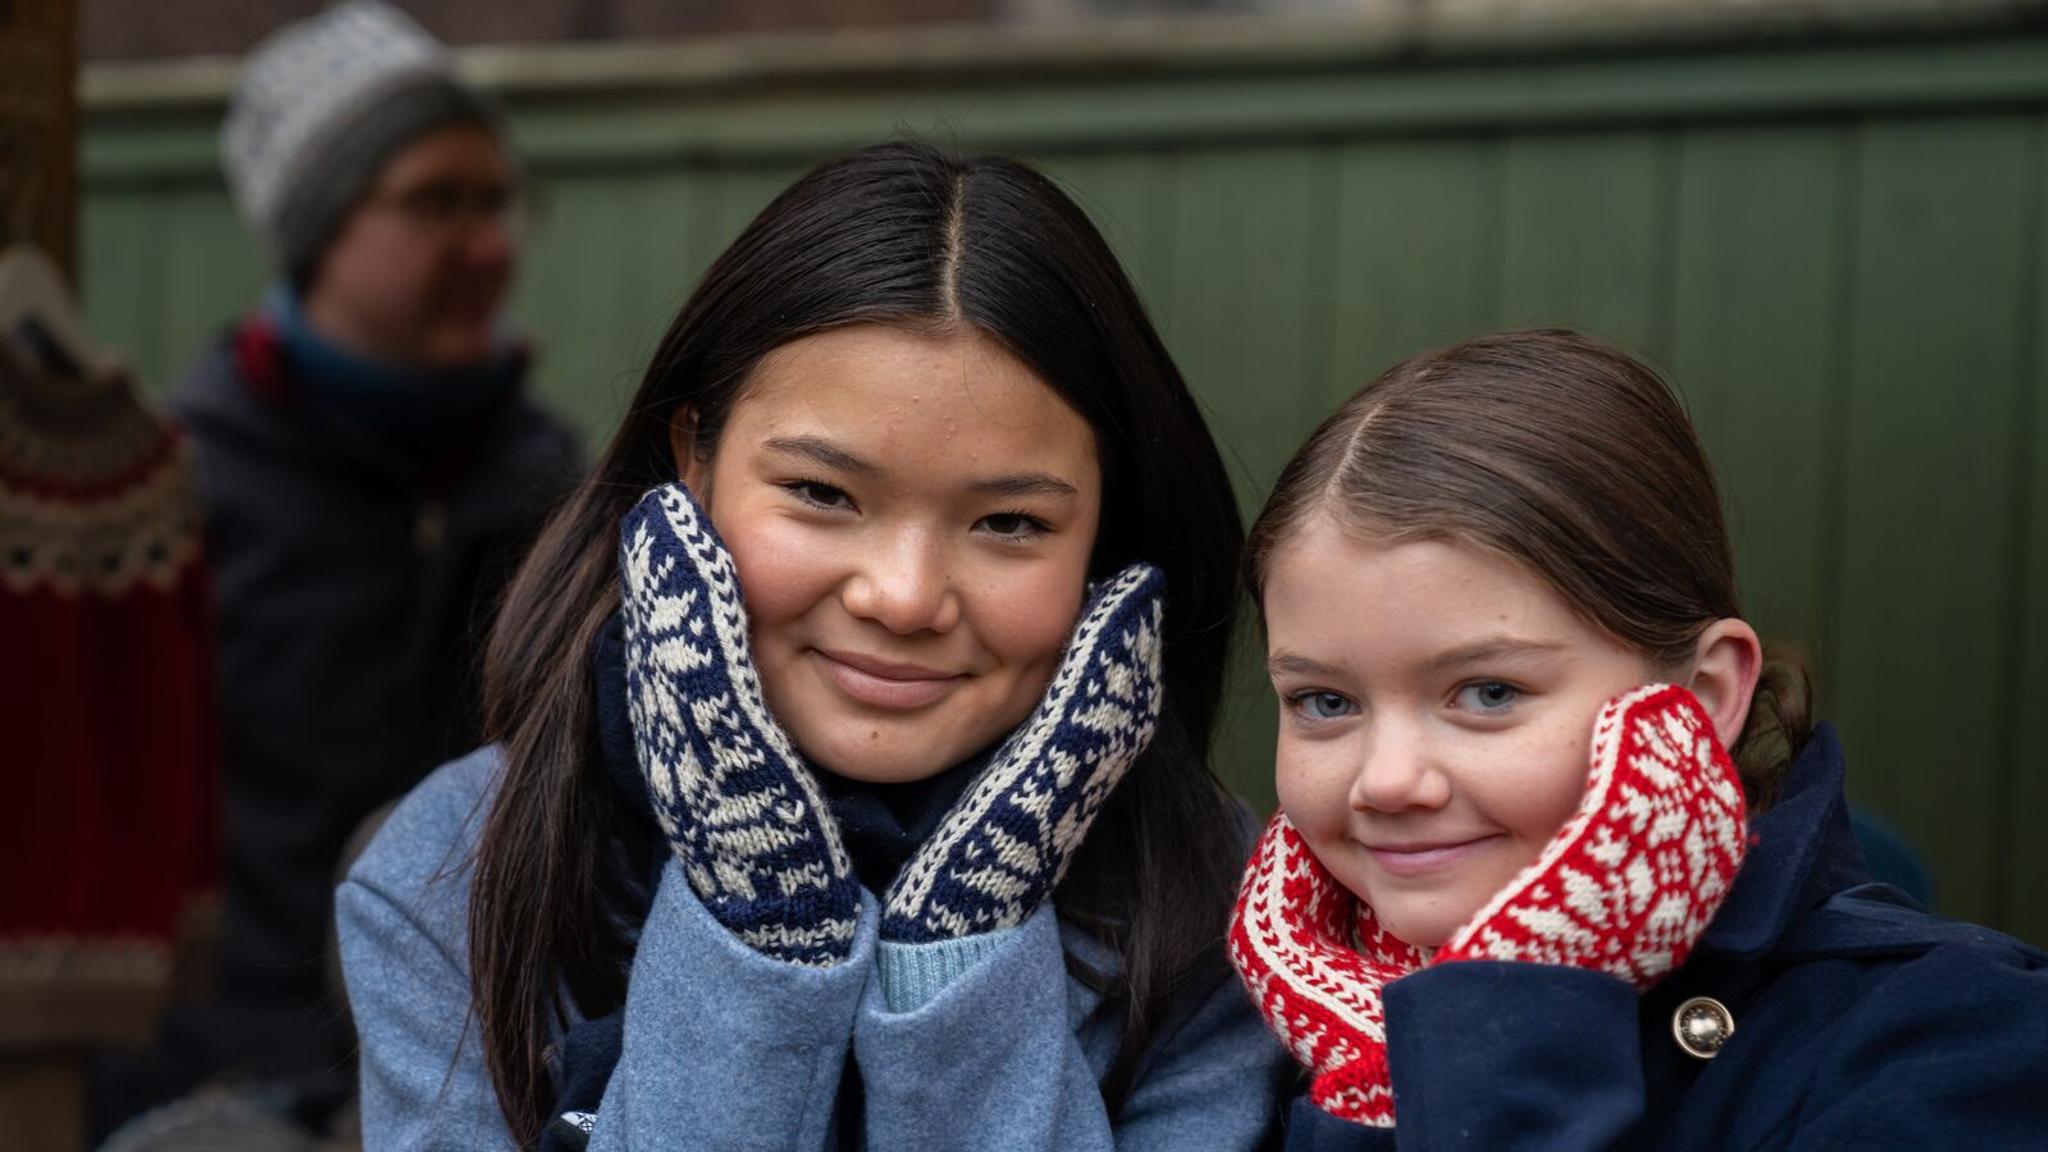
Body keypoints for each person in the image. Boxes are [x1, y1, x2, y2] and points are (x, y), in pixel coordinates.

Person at [338, 140, 1293, 1150]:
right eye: (821, 494)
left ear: (1103, 540)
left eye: (1009, 523)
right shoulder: (452, 873)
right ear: (690, 461)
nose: (903, 596)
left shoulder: (1222, 905)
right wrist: (757, 925)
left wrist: (963, 944)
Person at [1226, 329, 2048, 1150]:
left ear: (1702, 694)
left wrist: (1514, 1004)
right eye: (1326, 702)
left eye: (1489, 692)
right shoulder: (1233, 1029)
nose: (1388, 780)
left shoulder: (1952, 1037)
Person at [92, 2, 582, 1141]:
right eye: (433, 201)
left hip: (477, 1064)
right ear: (318, 233)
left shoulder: (547, 484)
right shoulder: (181, 496)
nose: (485, 243)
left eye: (493, 200)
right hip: (216, 1079)